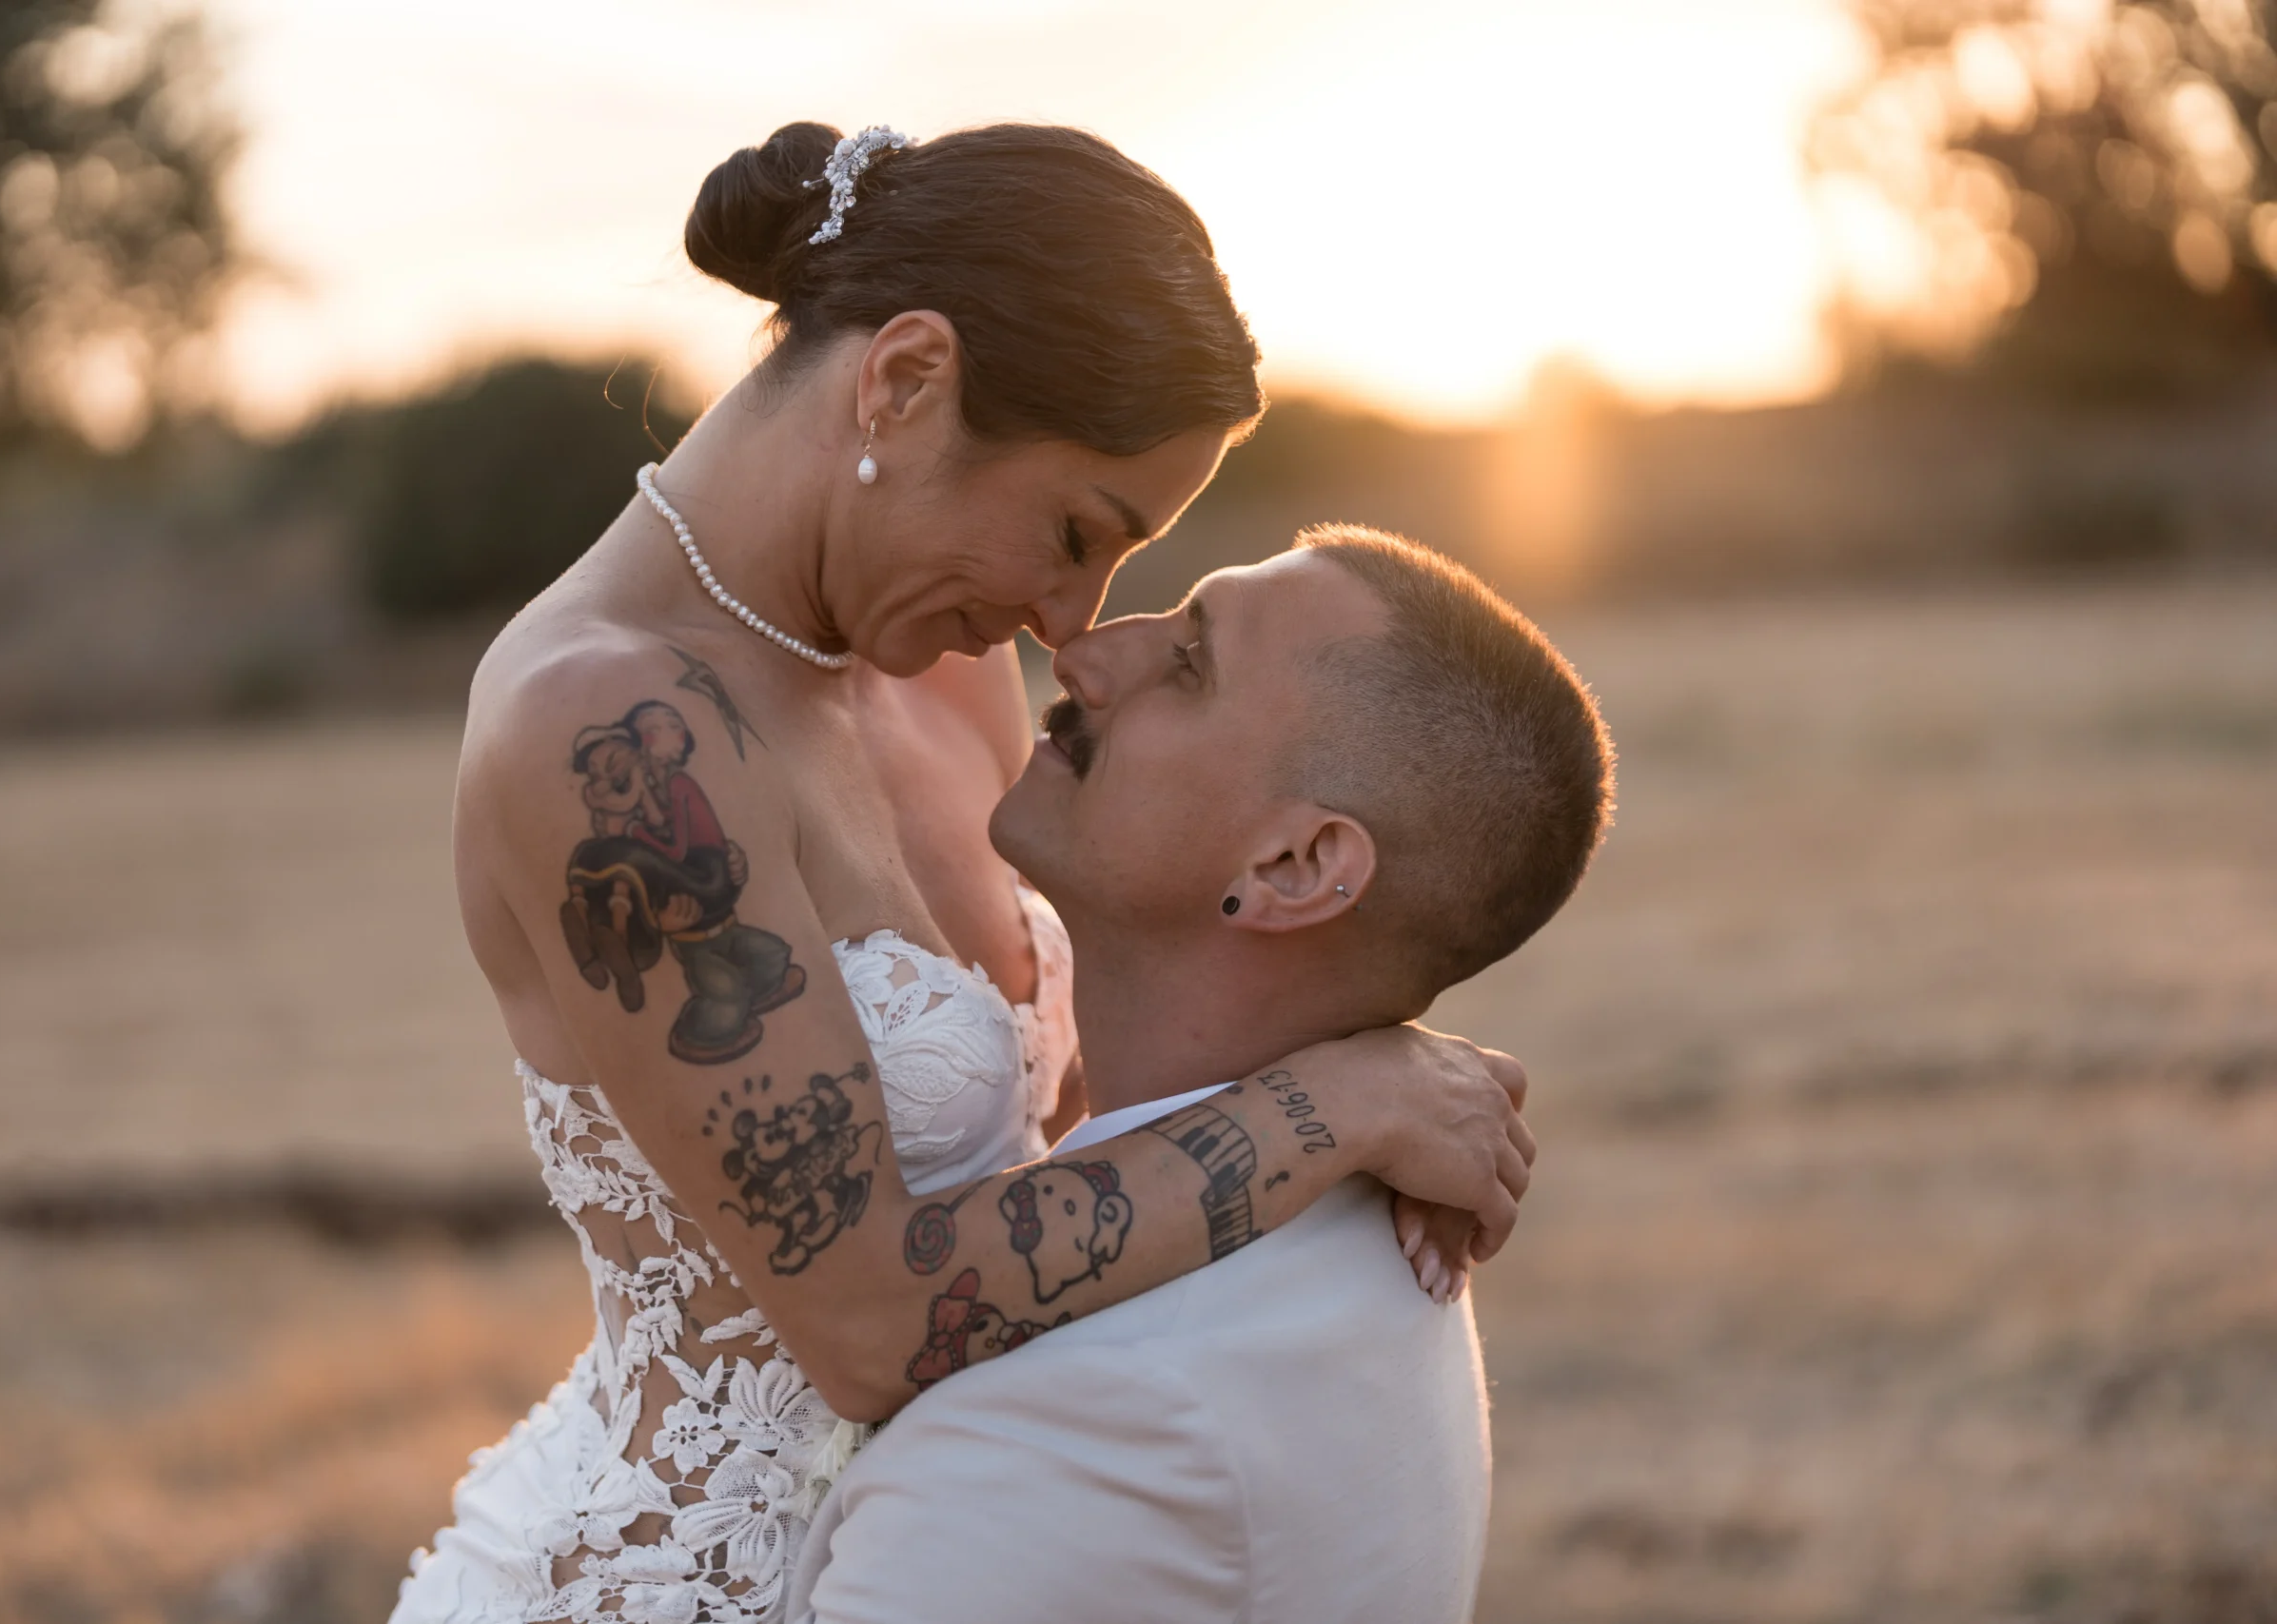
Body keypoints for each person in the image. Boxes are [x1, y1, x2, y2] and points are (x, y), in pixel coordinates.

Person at [400, 122, 1534, 1624]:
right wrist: (1332, 1104)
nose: (1072, 621)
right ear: (907, 379)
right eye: (1075, 531)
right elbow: (869, 1318)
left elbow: (1051, 1133)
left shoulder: (933, 658)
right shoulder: (615, 728)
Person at [785, 527, 1616, 1624]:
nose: (1082, 654)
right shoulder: (1355, 1226)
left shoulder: (1077, 1423)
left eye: (1187, 662)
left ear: (1295, 868)